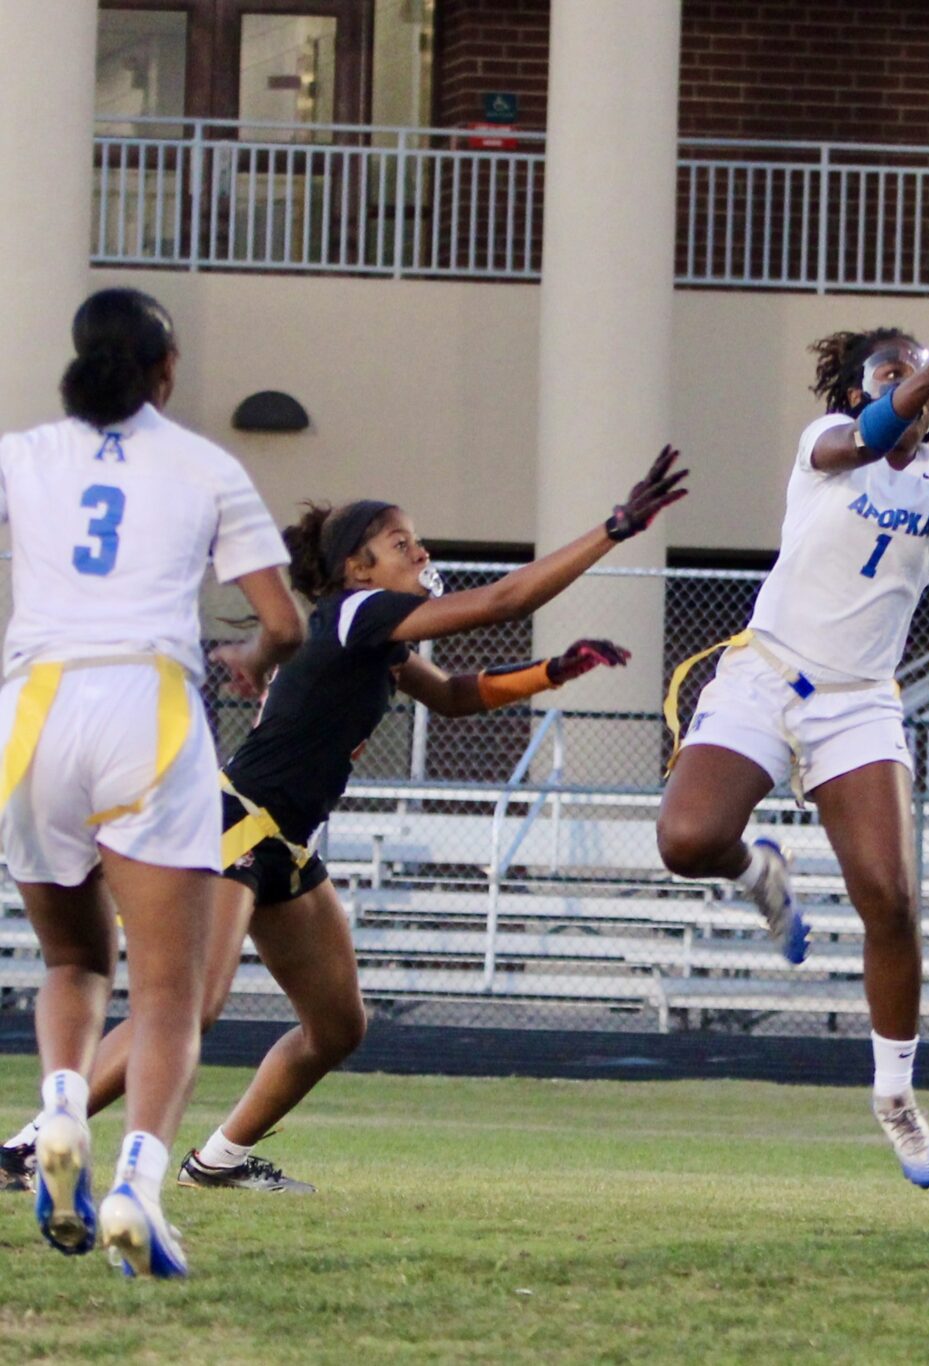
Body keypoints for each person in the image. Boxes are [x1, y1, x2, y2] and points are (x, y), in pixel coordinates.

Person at [0, 450, 687, 1196]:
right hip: (235, 822)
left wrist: (548, 673)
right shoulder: (359, 614)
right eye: (402, 545)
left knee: (336, 1026)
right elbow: (506, 601)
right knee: (189, 1003)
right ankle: (28, 1147)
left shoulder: (372, 634)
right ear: (359, 570)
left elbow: (453, 696)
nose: (421, 553)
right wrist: (615, 528)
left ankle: (220, 1159)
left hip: (285, 842)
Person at [656, 320, 929, 1188]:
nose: (909, 380)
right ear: (861, 388)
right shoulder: (827, 443)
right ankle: (761, 876)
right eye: (889, 370)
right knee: (685, 841)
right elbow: (862, 437)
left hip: (859, 703)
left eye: (920, 370)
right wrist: (919, 376)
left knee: (890, 899)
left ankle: (894, 1095)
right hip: (768, 674)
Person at [0, 287, 304, 1276]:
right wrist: (254, 656)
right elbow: (284, 621)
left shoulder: (25, 453)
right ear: (164, 369)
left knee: (69, 963)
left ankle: (55, 1107)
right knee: (167, 994)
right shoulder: (206, 465)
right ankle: (135, 1179)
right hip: (148, 706)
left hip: (34, 709)